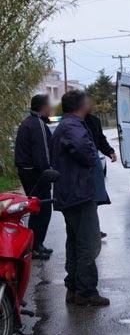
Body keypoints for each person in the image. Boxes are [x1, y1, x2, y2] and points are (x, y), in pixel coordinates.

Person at [50, 90, 109, 306]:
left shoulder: (65, 125)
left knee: (75, 242)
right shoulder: (73, 126)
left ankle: (74, 288)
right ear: (79, 106)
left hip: (70, 193)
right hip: (79, 194)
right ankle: (86, 291)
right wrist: (93, 156)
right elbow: (86, 154)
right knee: (88, 243)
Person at [14, 94, 54, 260]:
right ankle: (35, 246)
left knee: (38, 208)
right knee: (42, 209)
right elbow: (42, 153)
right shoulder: (37, 124)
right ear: (43, 107)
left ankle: (37, 244)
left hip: (28, 171)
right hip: (35, 173)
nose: (51, 108)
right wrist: (49, 172)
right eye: (49, 105)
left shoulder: (29, 122)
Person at [84, 102, 117, 239]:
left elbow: (100, 139)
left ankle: (94, 230)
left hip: (94, 163)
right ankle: (89, 232)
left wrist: (109, 151)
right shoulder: (72, 123)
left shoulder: (93, 120)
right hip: (81, 168)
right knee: (86, 202)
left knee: (94, 201)